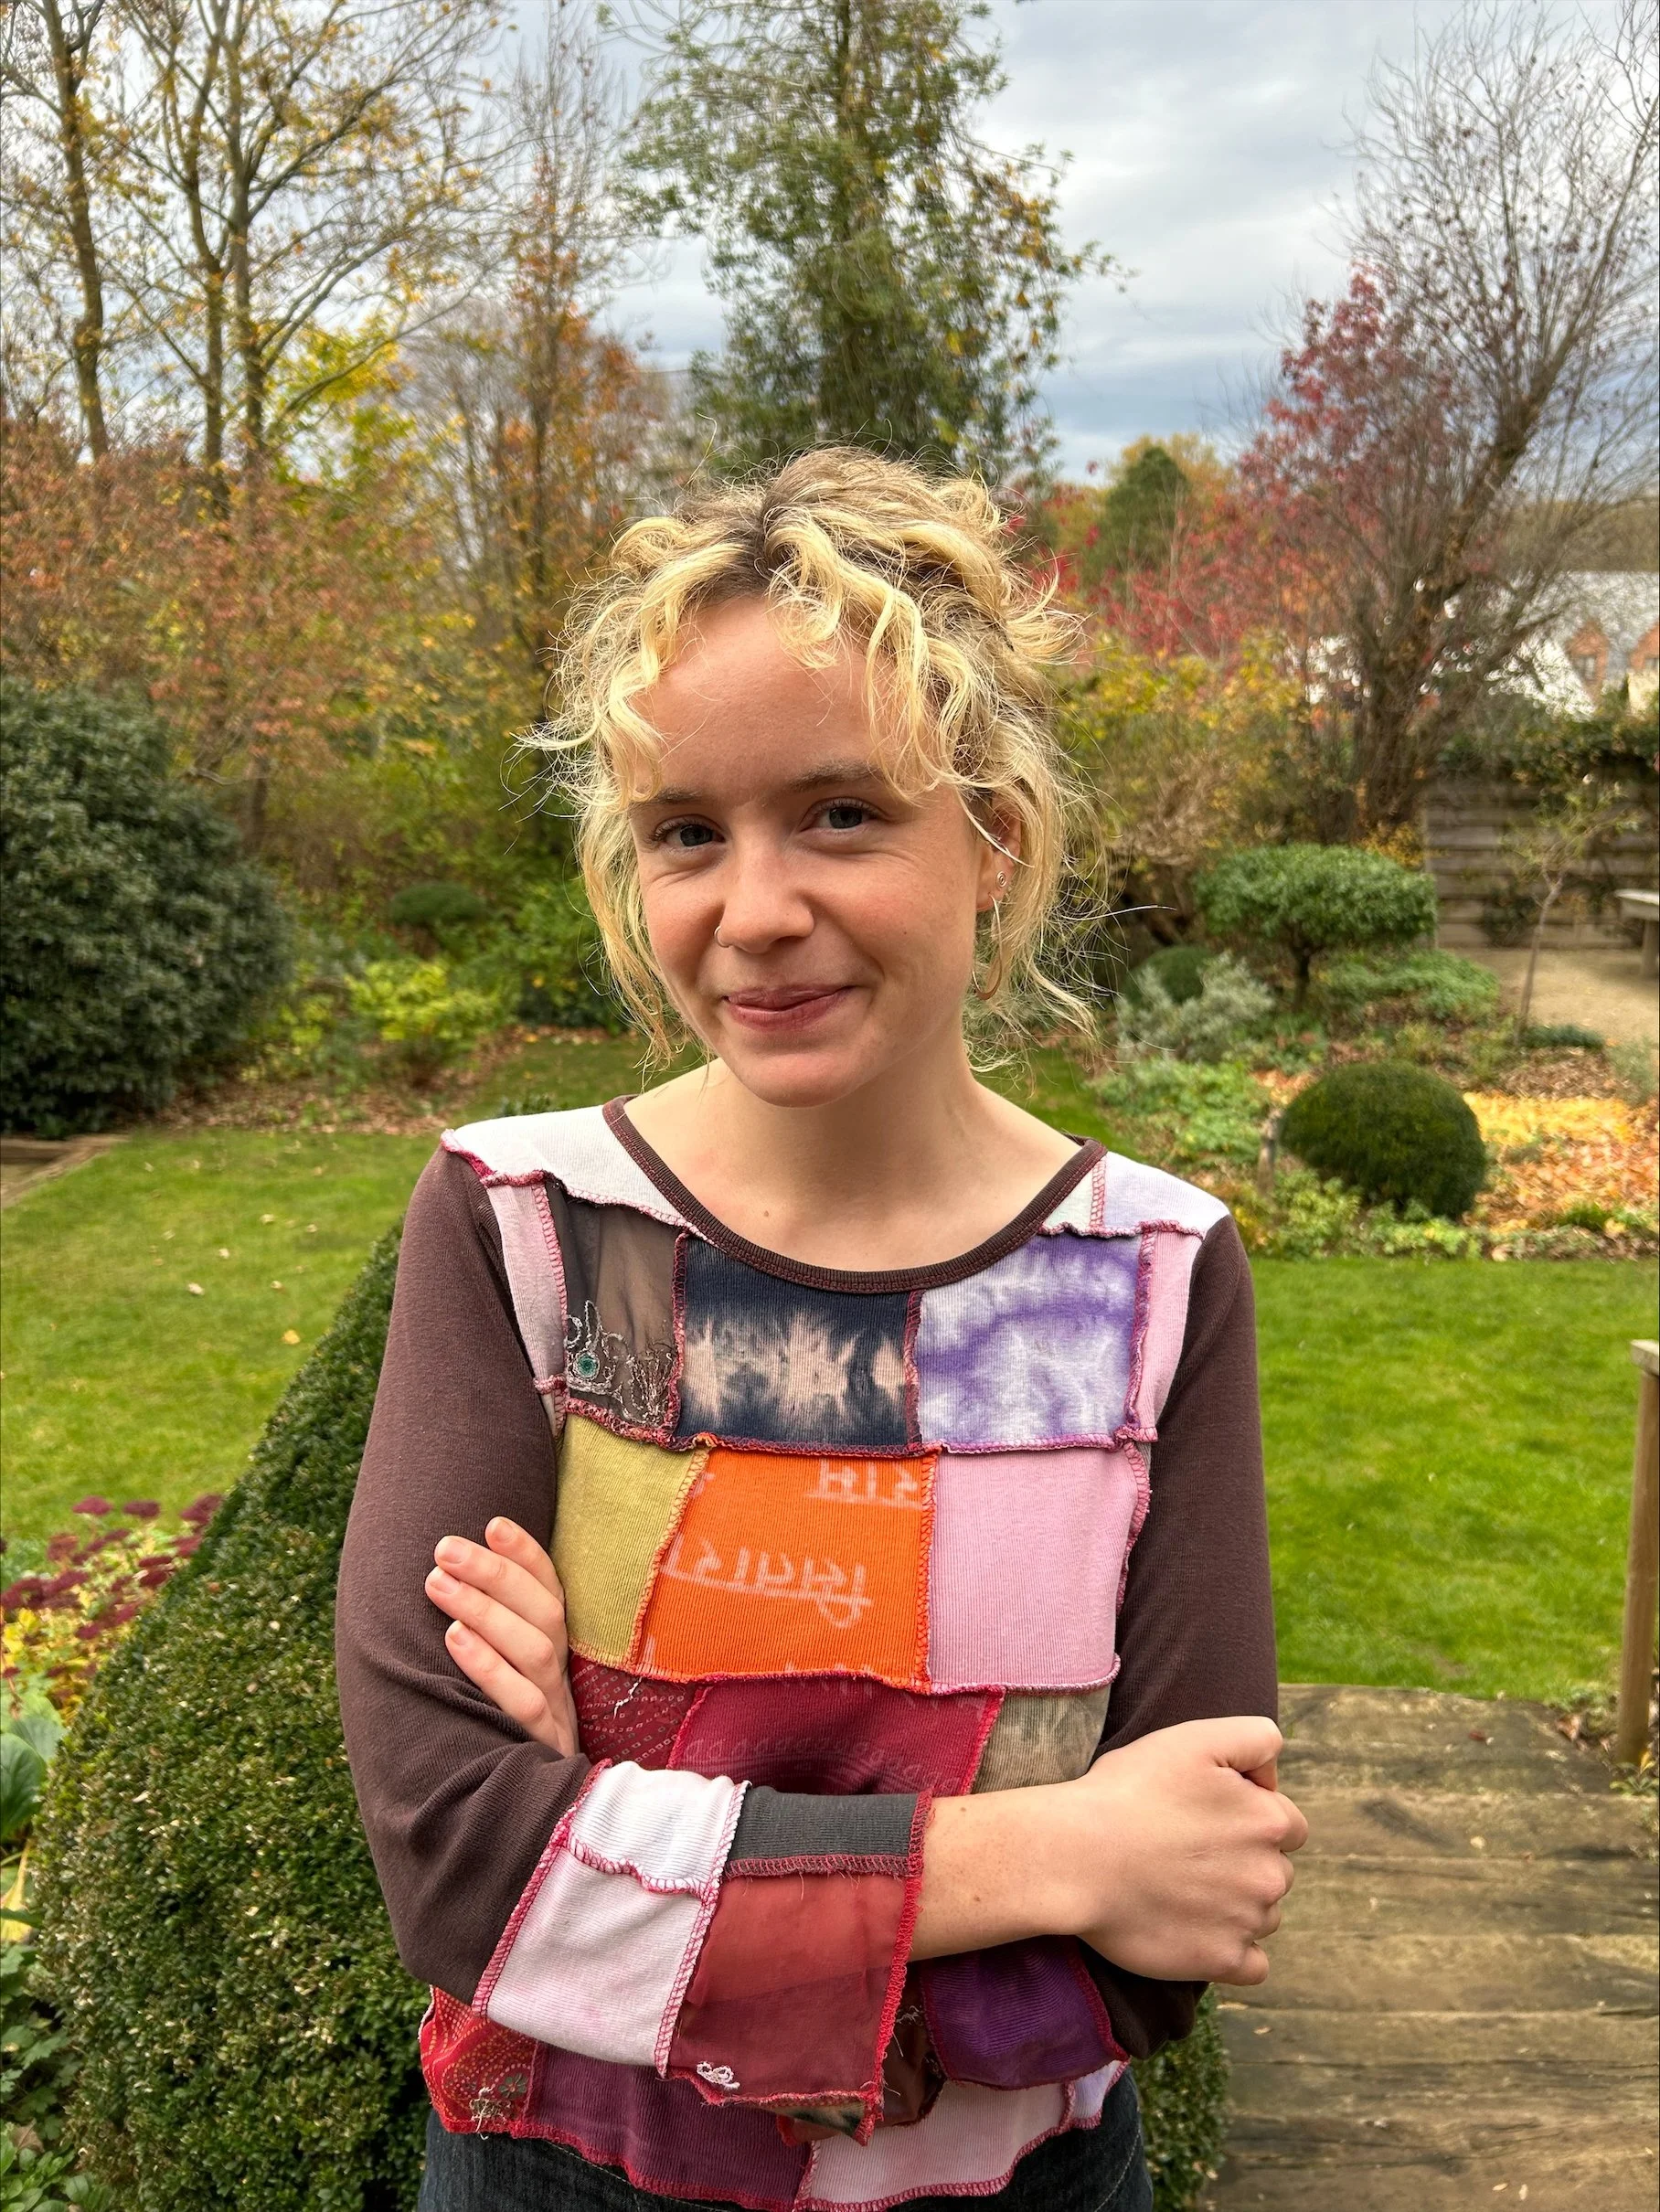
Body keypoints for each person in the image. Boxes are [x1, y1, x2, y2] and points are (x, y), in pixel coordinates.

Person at [335, 448, 1306, 2212]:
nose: (756, 910)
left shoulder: (1158, 1273)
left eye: (842, 813)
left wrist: (610, 1824)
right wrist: (1056, 1851)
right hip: (561, 2175)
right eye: (686, 833)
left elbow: (1171, 1930)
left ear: (994, 839)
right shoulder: (523, 1226)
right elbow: (467, 1871)